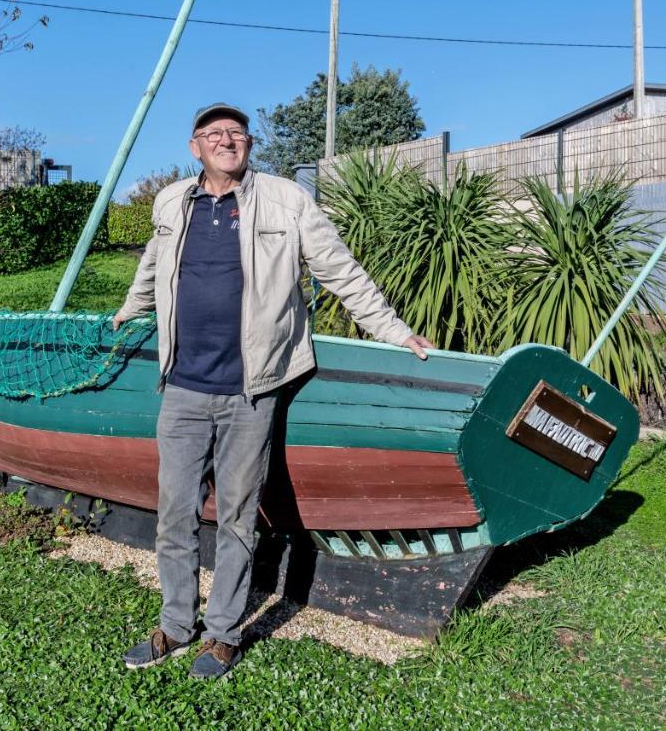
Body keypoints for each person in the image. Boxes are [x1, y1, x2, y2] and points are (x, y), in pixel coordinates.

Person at [114, 103, 434, 679]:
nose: (226, 141)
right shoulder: (171, 203)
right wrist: (129, 311)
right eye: (214, 134)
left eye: (236, 133)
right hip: (182, 386)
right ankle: (174, 625)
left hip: (251, 392)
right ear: (195, 148)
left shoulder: (288, 201)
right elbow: (153, 266)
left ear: (249, 144)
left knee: (237, 516)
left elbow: (341, 270)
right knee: (174, 515)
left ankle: (222, 634)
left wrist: (393, 329)